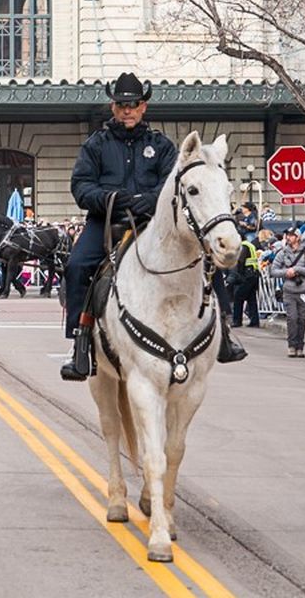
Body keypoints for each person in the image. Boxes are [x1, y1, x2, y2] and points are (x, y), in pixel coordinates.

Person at [60, 73, 245, 381]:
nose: (127, 110)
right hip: (106, 221)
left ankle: (223, 331)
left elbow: (172, 183)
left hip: (153, 222)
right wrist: (112, 199)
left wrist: (149, 200)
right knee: (78, 266)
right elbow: (81, 187)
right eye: (121, 105)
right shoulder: (96, 144)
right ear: (113, 106)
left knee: (207, 259)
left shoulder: (161, 145)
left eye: (133, 104)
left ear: (143, 106)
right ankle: (79, 342)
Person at [270, 228, 305, 357]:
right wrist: (286, 272)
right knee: (292, 318)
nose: (289, 238)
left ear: (298, 237)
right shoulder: (282, 253)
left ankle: (300, 346)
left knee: (302, 319)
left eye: (292, 235)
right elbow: (273, 271)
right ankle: (291, 345)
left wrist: (296, 270)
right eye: (288, 235)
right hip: (289, 291)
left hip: (303, 291)